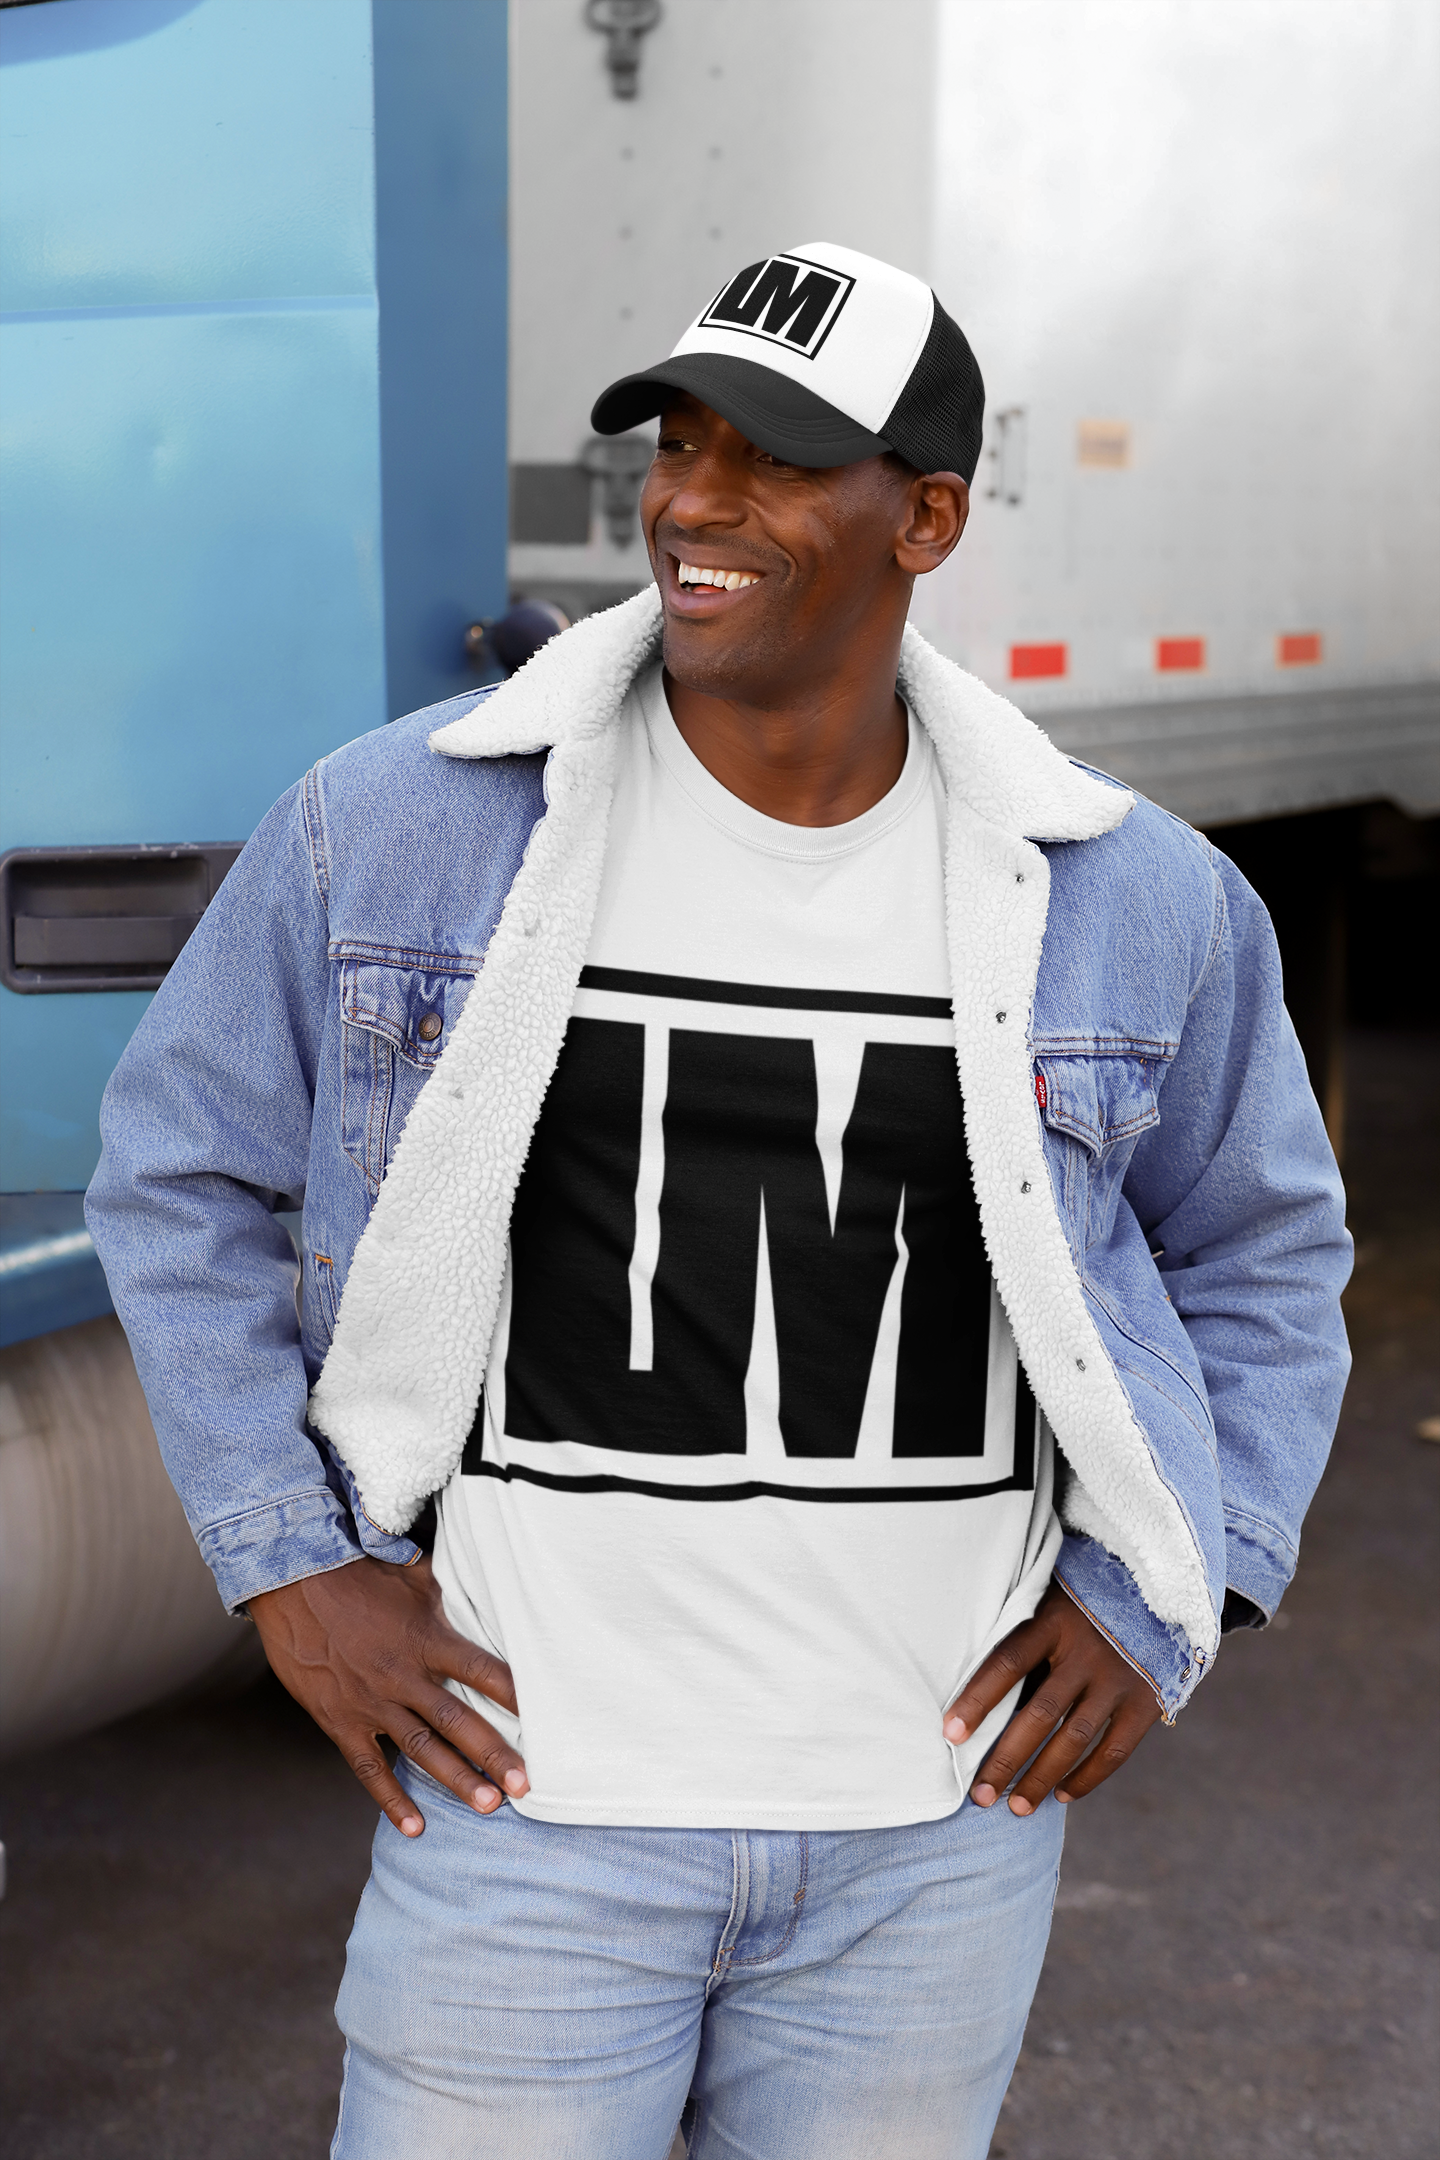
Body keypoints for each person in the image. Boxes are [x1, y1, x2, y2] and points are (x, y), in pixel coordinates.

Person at [86, 241, 1351, 2158]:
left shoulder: (1127, 893)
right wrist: (293, 1567)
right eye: (677, 445)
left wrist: (1167, 1588)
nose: (692, 500)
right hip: (531, 1818)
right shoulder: (405, 822)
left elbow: (1263, 1251)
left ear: (925, 519)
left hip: (934, 1848)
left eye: (772, 457)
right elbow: (176, 1173)